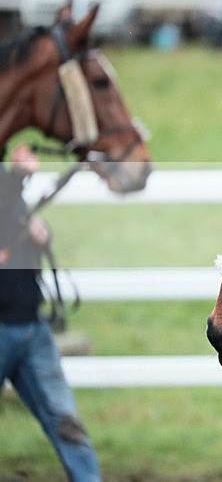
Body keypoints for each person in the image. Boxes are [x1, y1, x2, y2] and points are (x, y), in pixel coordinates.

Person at [0, 144, 102, 482]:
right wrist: (17, 177)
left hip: (31, 326)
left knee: (66, 422)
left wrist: (38, 233)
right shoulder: (8, 183)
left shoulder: (6, 184)